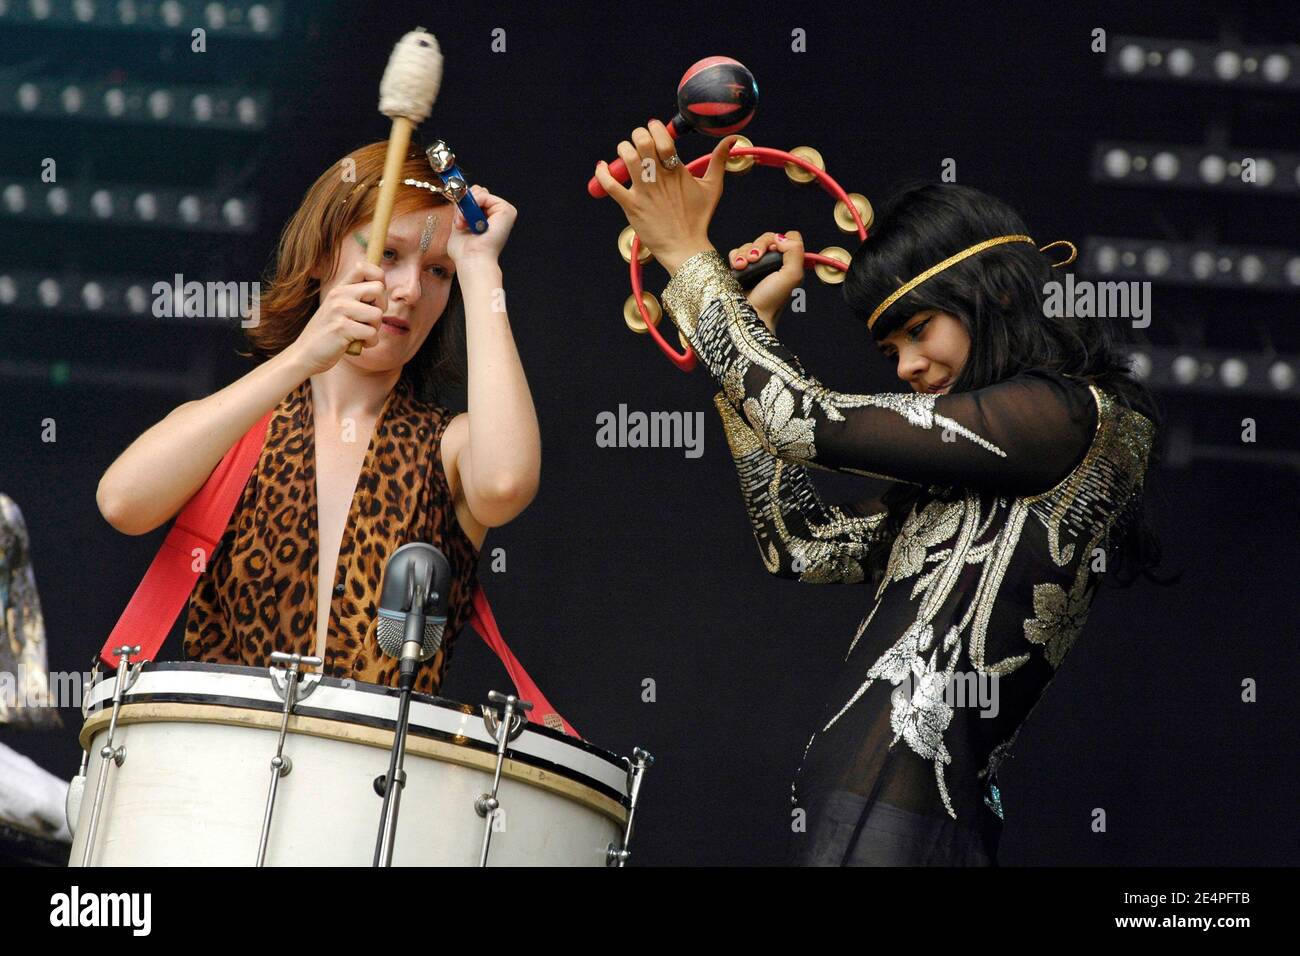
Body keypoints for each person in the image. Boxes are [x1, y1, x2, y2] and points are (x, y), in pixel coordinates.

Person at [595, 126, 1166, 865]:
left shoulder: (1073, 417)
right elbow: (800, 547)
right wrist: (752, 337)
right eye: (891, 349)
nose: (907, 365)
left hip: (905, 825)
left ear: (994, 290)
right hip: (872, 815)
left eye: (919, 330)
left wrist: (685, 254)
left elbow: (803, 422)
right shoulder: (990, 462)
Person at [97, 140, 540, 696]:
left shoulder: (449, 446)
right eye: (387, 254)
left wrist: (480, 271)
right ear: (323, 256)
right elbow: (122, 503)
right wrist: (302, 357)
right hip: (220, 765)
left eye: (438, 272)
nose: (408, 290)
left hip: (378, 776)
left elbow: (506, 482)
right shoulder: (235, 430)